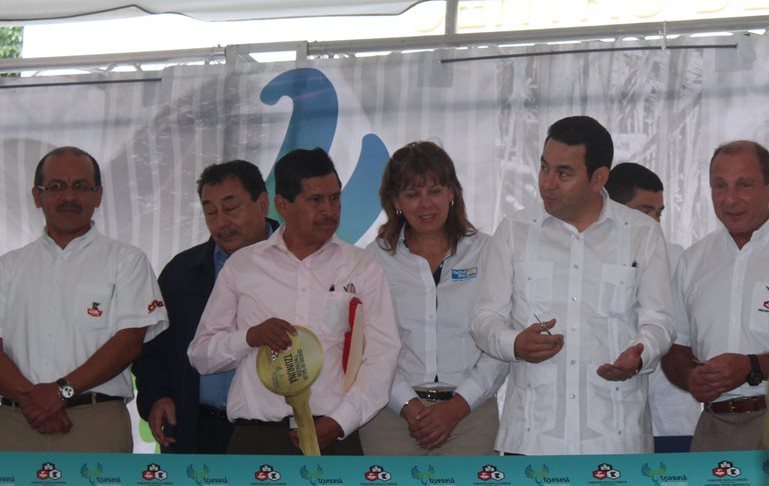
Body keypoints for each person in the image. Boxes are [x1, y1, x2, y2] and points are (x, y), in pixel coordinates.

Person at [471, 116, 675, 455]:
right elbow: (484, 318)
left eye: (563, 173)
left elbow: (660, 321)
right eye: (544, 168)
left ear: (599, 178)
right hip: (533, 438)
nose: (547, 183)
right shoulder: (515, 230)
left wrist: (641, 354)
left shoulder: (642, 233)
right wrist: (515, 343)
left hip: (616, 438)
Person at [187, 147, 400, 455]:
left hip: (333, 434)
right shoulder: (243, 265)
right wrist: (249, 337)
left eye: (335, 198)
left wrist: (341, 421)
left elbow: (383, 354)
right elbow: (201, 355)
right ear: (282, 205)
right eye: (315, 200)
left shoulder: (361, 266)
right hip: (256, 437)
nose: (329, 210)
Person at [0, 146, 168, 452]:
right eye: (56, 186)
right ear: (37, 196)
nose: (69, 196)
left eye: (80, 186)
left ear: (98, 195)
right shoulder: (7, 267)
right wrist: (31, 400)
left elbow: (129, 343)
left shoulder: (127, 261)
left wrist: (60, 392)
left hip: (94, 421)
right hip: (15, 422)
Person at [359, 141, 507, 455]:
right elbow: (368, 344)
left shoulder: (488, 251)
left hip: (471, 415)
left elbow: (500, 339)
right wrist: (408, 405)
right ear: (395, 201)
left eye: (435, 191)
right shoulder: (374, 260)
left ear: (452, 192)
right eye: (413, 194)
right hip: (390, 416)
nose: (426, 204)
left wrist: (459, 405)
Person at [132, 160, 279, 453]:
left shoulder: (301, 264)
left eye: (231, 208)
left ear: (262, 204)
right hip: (198, 428)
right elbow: (152, 349)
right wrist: (157, 396)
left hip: (276, 430)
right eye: (211, 212)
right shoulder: (181, 272)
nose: (221, 222)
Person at [662, 140, 769, 451]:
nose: (730, 198)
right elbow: (675, 349)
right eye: (719, 186)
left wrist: (752, 366)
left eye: (744, 185)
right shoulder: (693, 260)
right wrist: (689, 377)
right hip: (714, 426)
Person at [606, 162, 701, 453]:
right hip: (608, 422)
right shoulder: (584, 260)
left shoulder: (679, 259)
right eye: (645, 212)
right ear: (613, 208)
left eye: (658, 213)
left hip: (672, 418)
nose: (654, 223)